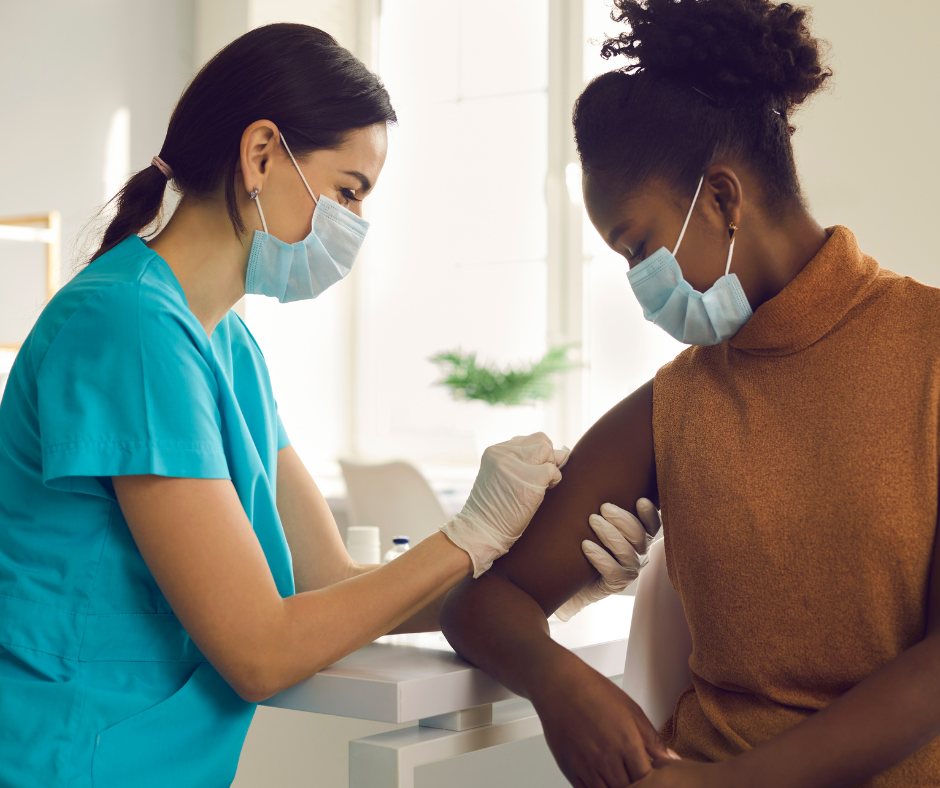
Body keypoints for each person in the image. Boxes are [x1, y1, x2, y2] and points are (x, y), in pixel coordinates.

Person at [0, 23, 649, 788]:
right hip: (71, 758)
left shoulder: (226, 347)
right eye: (348, 191)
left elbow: (326, 582)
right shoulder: (129, 328)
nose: (356, 226)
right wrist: (467, 535)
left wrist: (544, 580)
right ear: (262, 154)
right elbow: (260, 652)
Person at [440, 1, 940, 786]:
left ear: (721, 200)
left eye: (639, 247)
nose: (640, 284)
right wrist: (560, 683)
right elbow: (483, 605)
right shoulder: (678, 402)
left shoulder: (931, 351)